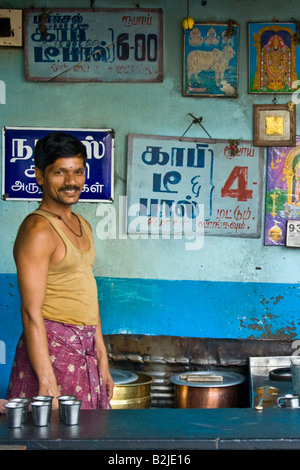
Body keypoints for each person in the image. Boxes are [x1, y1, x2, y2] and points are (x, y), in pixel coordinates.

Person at [6, 132, 114, 410]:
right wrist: (46, 381)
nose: (71, 182)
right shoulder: (38, 229)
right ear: (40, 176)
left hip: (85, 347)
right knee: (54, 436)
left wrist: (102, 355)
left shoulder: (83, 224)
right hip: (53, 350)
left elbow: (87, 291)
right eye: (60, 173)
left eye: (78, 172)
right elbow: (31, 311)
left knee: (89, 436)